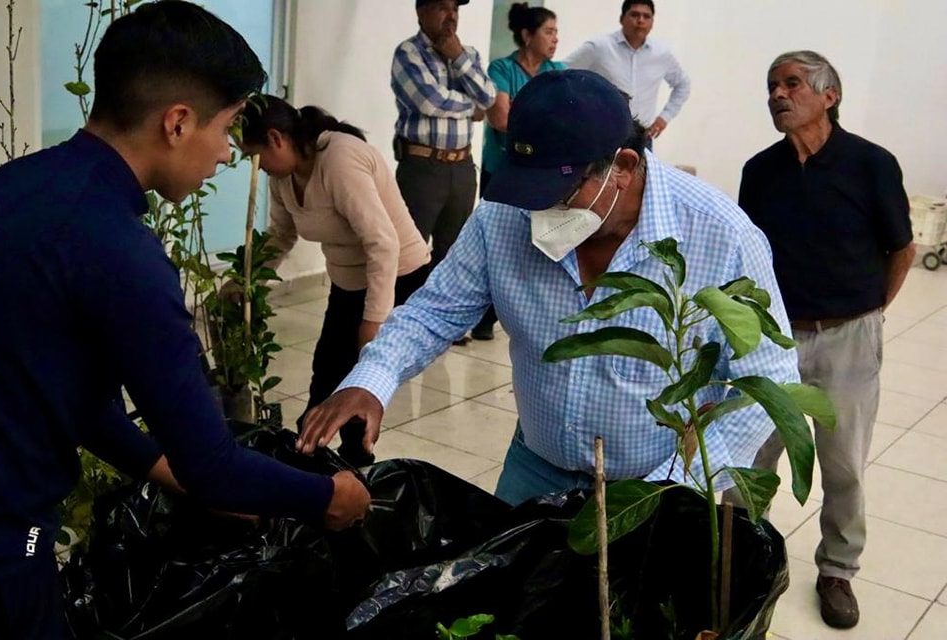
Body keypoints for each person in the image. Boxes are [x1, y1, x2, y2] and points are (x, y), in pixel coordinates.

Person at [0, 3, 369, 636]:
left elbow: (69, 394)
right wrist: (329, 498)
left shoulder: (17, 185)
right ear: (177, 122)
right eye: (224, 130)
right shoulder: (121, 253)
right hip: (5, 536)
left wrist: (163, 469)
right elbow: (212, 465)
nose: (226, 155)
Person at [294, 69, 799, 510]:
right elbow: (434, 311)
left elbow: (768, 382)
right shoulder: (503, 217)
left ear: (621, 167)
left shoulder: (720, 236)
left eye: (558, 195)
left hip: (655, 486)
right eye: (528, 192)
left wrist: (673, 490)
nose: (538, 213)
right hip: (535, 468)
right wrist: (372, 379)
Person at [730, 50, 915, 630]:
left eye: (791, 84)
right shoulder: (760, 171)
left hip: (848, 339)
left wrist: (867, 314)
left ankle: (837, 569)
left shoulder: (871, 164)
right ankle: (736, 554)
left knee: (844, 465)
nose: (778, 94)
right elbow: (748, 255)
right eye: (771, 85)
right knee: (750, 456)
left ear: (829, 95)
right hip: (774, 339)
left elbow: (902, 249)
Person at [236, 96, 431, 467]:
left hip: (398, 276)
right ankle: (321, 459)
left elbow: (382, 244)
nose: (255, 167)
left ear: (276, 138)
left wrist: (373, 319)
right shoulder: (283, 177)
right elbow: (280, 235)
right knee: (326, 372)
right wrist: (243, 279)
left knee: (360, 373)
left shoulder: (340, 159)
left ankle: (351, 462)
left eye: (253, 155)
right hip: (348, 283)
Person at [472, 2, 565, 341]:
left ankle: (522, 317)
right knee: (499, 245)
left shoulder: (558, 72)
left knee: (538, 245)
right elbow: (499, 119)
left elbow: (565, 121)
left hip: (545, 175)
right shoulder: (502, 69)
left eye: (556, 32)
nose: (555, 39)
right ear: (527, 35)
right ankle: (483, 317)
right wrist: (544, 129)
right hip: (504, 172)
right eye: (549, 32)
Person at [391, 0, 497, 272]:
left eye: (455, 9)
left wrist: (458, 56)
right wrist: (472, 107)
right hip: (422, 169)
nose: (451, 15)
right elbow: (430, 101)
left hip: (462, 168)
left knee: (453, 255)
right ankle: (401, 312)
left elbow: (489, 97)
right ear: (420, 12)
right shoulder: (409, 53)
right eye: (442, 7)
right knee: (408, 253)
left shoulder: (468, 55)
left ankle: (439, 314)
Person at [565, 0, 690, 146]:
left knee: (643, 169)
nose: (640, 20)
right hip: (602, 133)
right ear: (621, 18)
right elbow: (564, 73)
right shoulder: (599, 47)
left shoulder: (661, 54)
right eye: (635, 15)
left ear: (652, 22)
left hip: (641, 137)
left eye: (646, 16)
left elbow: (683, 84)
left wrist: (665, 117)